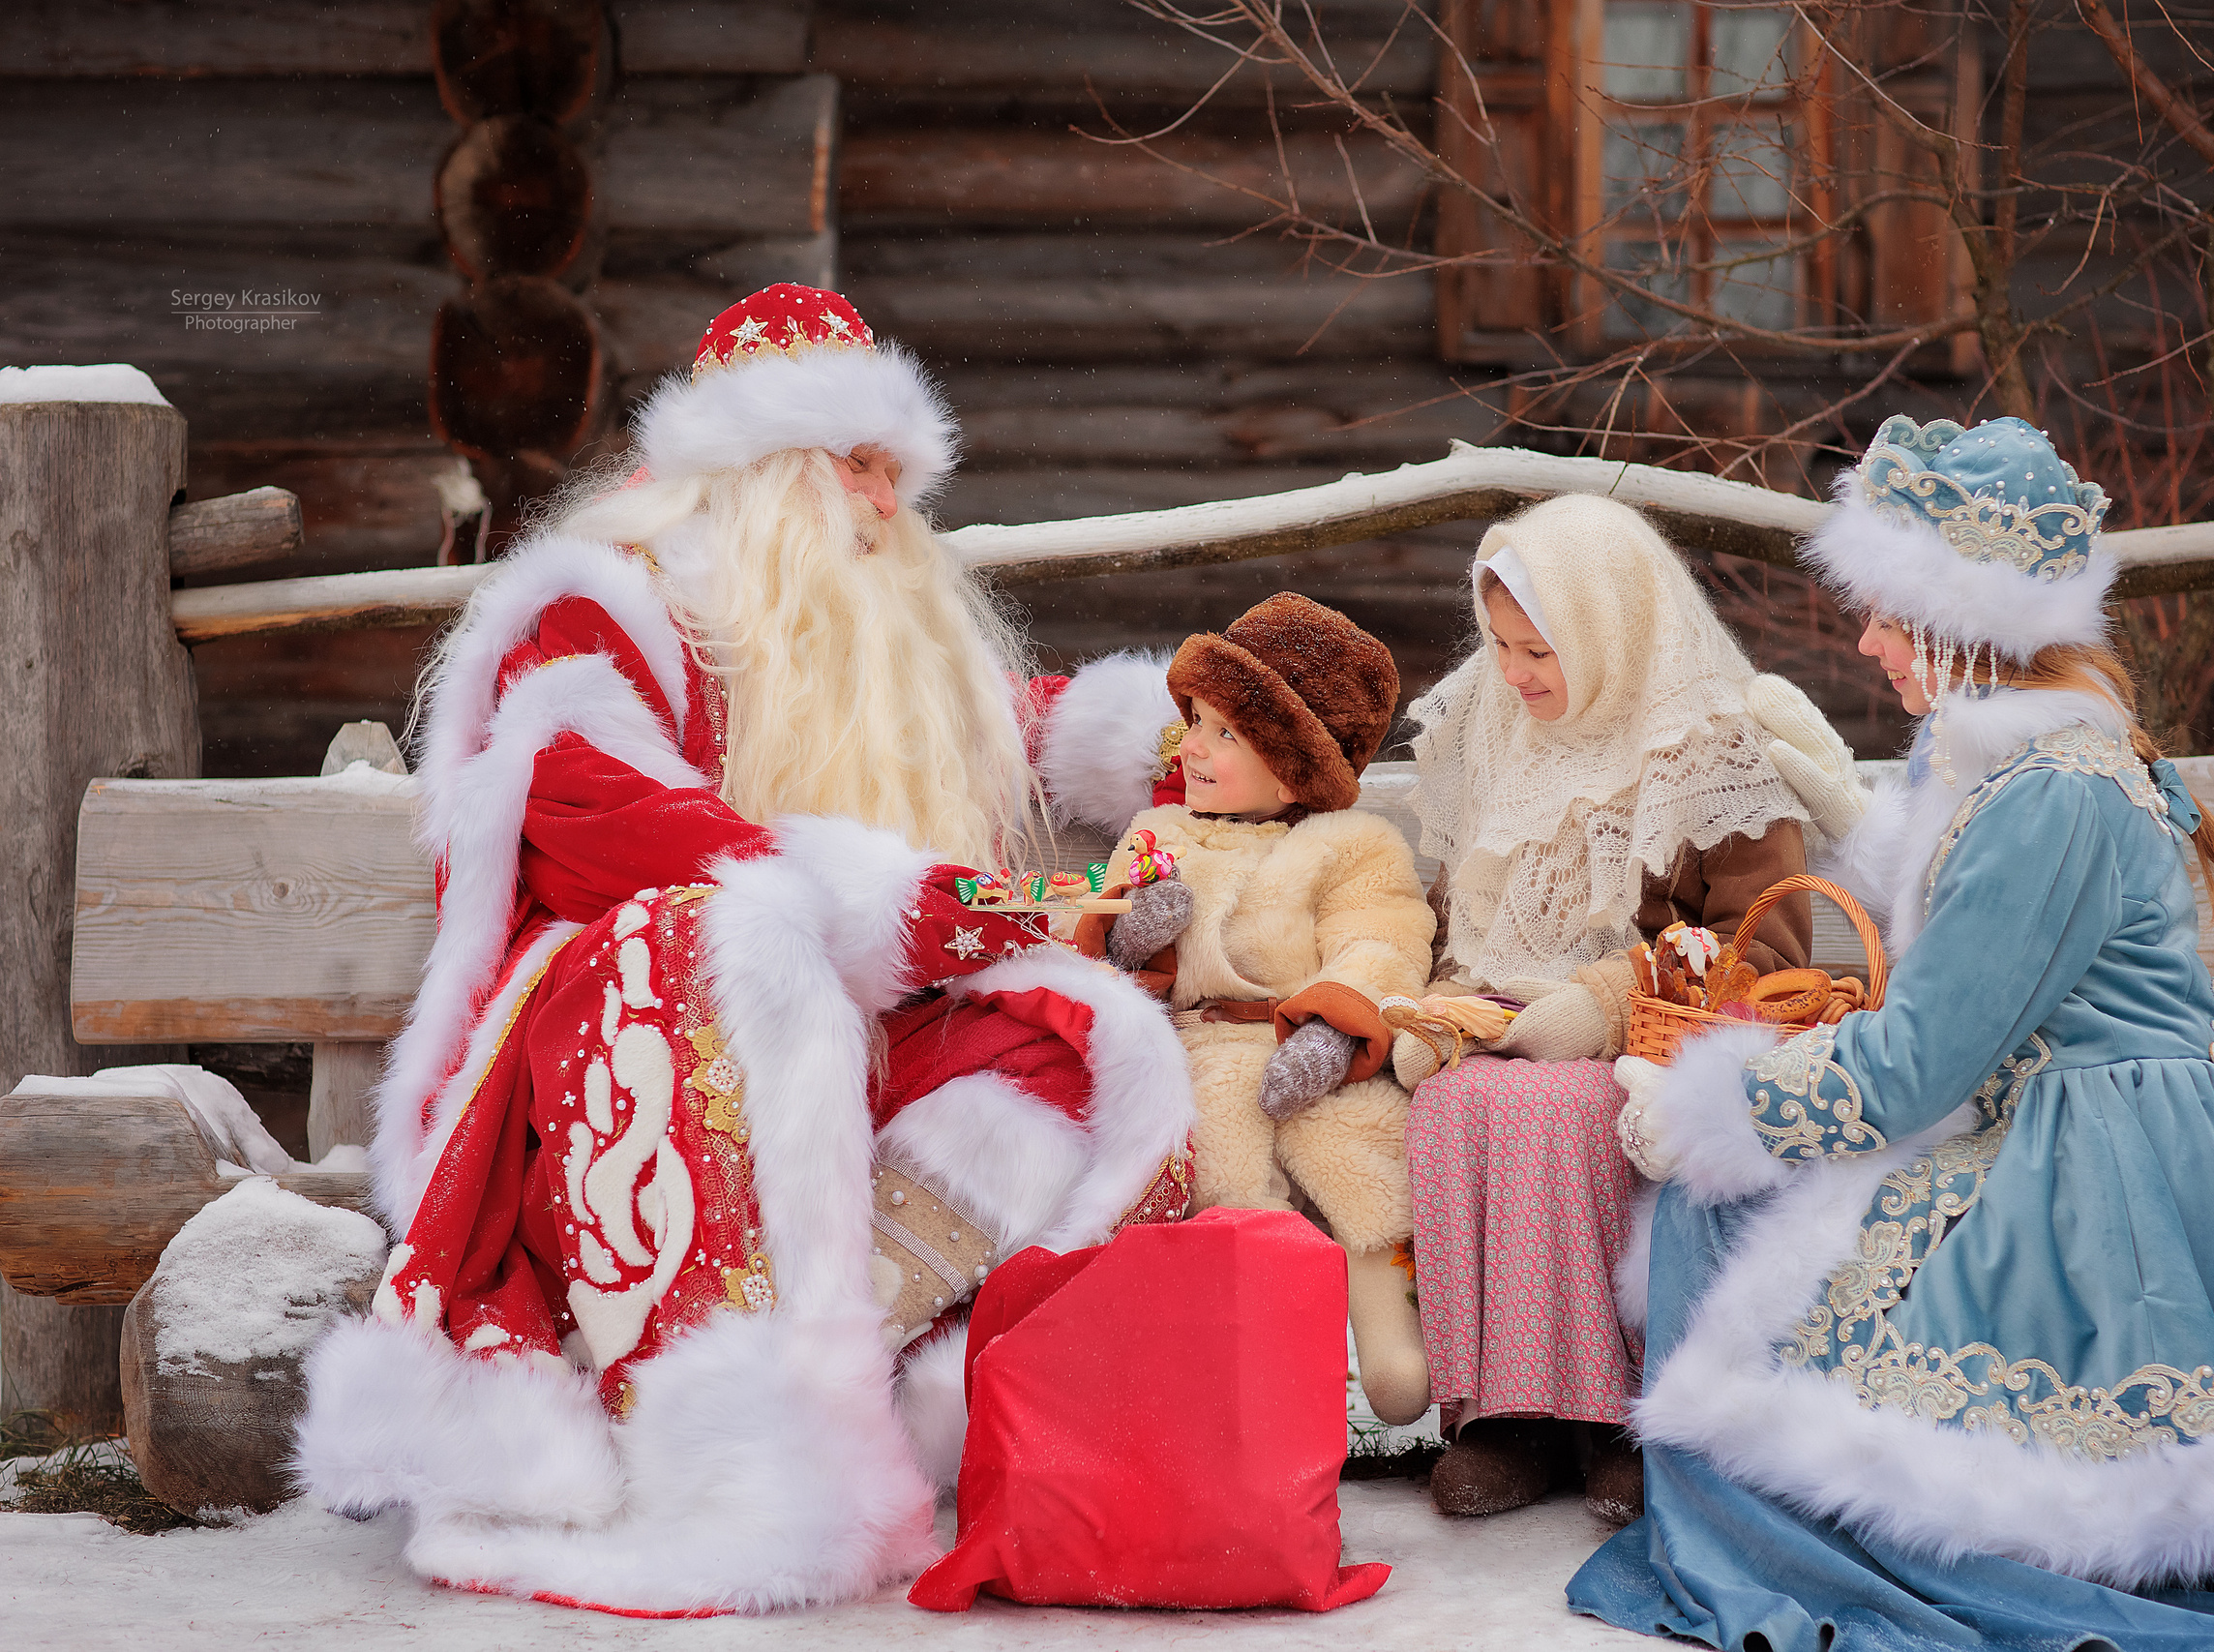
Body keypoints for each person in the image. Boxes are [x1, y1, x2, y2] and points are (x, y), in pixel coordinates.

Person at [294, 285, 1196, 1616]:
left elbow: (1017, 725)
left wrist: (1186, 741)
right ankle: (701, 1431)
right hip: (619, 1057)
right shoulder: (602, 609)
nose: (887, 507)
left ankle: (839, 1375)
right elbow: (608, 822)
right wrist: (904, 901)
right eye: (860, 467)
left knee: (1079, 1040)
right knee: (712, 934)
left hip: (852, 1051)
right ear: (764, 466)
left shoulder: (870, 636)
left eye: (898, 475)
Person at [1573, 414, 2214, 1648]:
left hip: (2090, 1169)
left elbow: (1920, 1063)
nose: (1867, 642)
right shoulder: (2029, 762)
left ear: (1966, 622)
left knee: (1710, 1204)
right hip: (2082, 1121)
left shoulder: (2044, 794)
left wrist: (1716, 1104)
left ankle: (1777, 1497)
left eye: (1888, 615)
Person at [1399, 494, 1855, 1521]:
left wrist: (1606, 1002)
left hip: (1653, 1042)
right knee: (1455, 1104)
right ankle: (1505, 1416)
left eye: (1539, 651)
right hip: (1513, 1023)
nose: (1513, 674)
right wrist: (1441, 1007)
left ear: (1607, 631)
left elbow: (1765, 945)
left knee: (1561, 1109)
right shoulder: (1497, 731)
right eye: (1499, 644)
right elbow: (1463, 907)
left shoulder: (1709, 749)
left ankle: (1619, 1417)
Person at [1077, 593, 1436, 1425]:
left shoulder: (1354, 845)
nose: (1192, 747)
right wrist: (1131, 933)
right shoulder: (1160, 830)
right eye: (1195, 721)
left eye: (1225, 733)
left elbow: (1381, 939)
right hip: (1200, 1048)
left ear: (1291, 767)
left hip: (1317, 1048)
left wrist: (1331, 1034)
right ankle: (1272, 1350)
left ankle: (1392, 1342)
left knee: (1368, 1149)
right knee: (1223, 1162)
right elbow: (1087, 930)